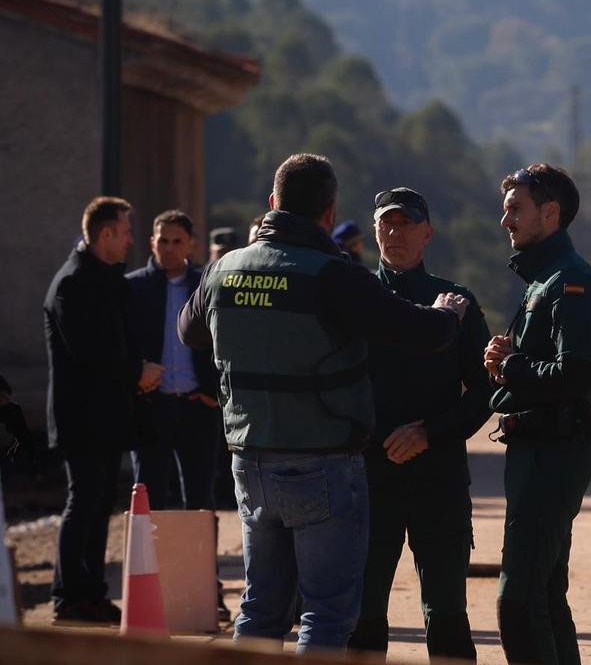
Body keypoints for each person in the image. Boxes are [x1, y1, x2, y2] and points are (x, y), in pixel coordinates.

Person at [178, 153, 469, 652]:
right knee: (327, 614)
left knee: (261, 607)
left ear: (272, 203)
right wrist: (446, 314)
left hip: (250, 461)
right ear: (330, 214)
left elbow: (190, 334)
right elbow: (420, 332)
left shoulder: (224, 268)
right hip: (322, 463)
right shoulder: (334, 274)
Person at [347, 187, 493, 659]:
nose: (396, 233)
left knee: (447, 613)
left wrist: (428, 433)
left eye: (407, 223)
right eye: (387, 223)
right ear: (374, 231)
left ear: (427, 233)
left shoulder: (457, 303)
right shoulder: (355, 298)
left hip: (439, 478)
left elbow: (487, 390)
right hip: (370, 479)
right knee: (363, 615)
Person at [482, 163, 591, 664]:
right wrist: (510, 362)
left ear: (550, 213)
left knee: (517, 602)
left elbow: (576, 374)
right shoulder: (543, 279)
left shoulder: (571, 281)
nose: (504, 220)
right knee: (545, 597)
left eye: (516, 208)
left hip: (552, 454)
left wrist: (513, 365)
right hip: (533, 451)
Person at [44, 197, 164, 624]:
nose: (132, 239)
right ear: (105, 234)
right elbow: (89, 352)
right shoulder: (73, 282)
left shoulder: (104, 278)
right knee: (84, 503)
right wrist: (138, 372)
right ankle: (68, 597)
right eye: (126, 231)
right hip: (82, 418)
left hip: (106, 416)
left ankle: (90, 593)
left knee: (98, 507)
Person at [126, 210, 221, 511]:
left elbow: (224, 340)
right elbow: (122, 343)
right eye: (162, 241)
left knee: (199, 498)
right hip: (152, 406)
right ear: (152, 242)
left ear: (191, 244)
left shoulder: (206, 284)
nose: (168, 248)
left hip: (197, 406)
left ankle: (200, 559)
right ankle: (151, 559)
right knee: (149, 496)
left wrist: (214, 391)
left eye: (176, 241)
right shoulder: (132, 287)